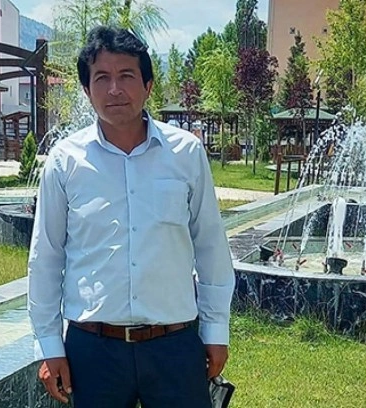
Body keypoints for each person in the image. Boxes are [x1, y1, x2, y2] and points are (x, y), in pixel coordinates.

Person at [27, 25, 236, 408]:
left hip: (174, 345)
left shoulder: (186, 154)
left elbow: (210, 247)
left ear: (148, 85)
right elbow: (46, 258)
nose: (114, 89)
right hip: (94, 350)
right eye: (101, 78)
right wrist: (49, 345)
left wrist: (215, 329)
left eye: (126, 76)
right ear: (87, 89)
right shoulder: (65, 161)